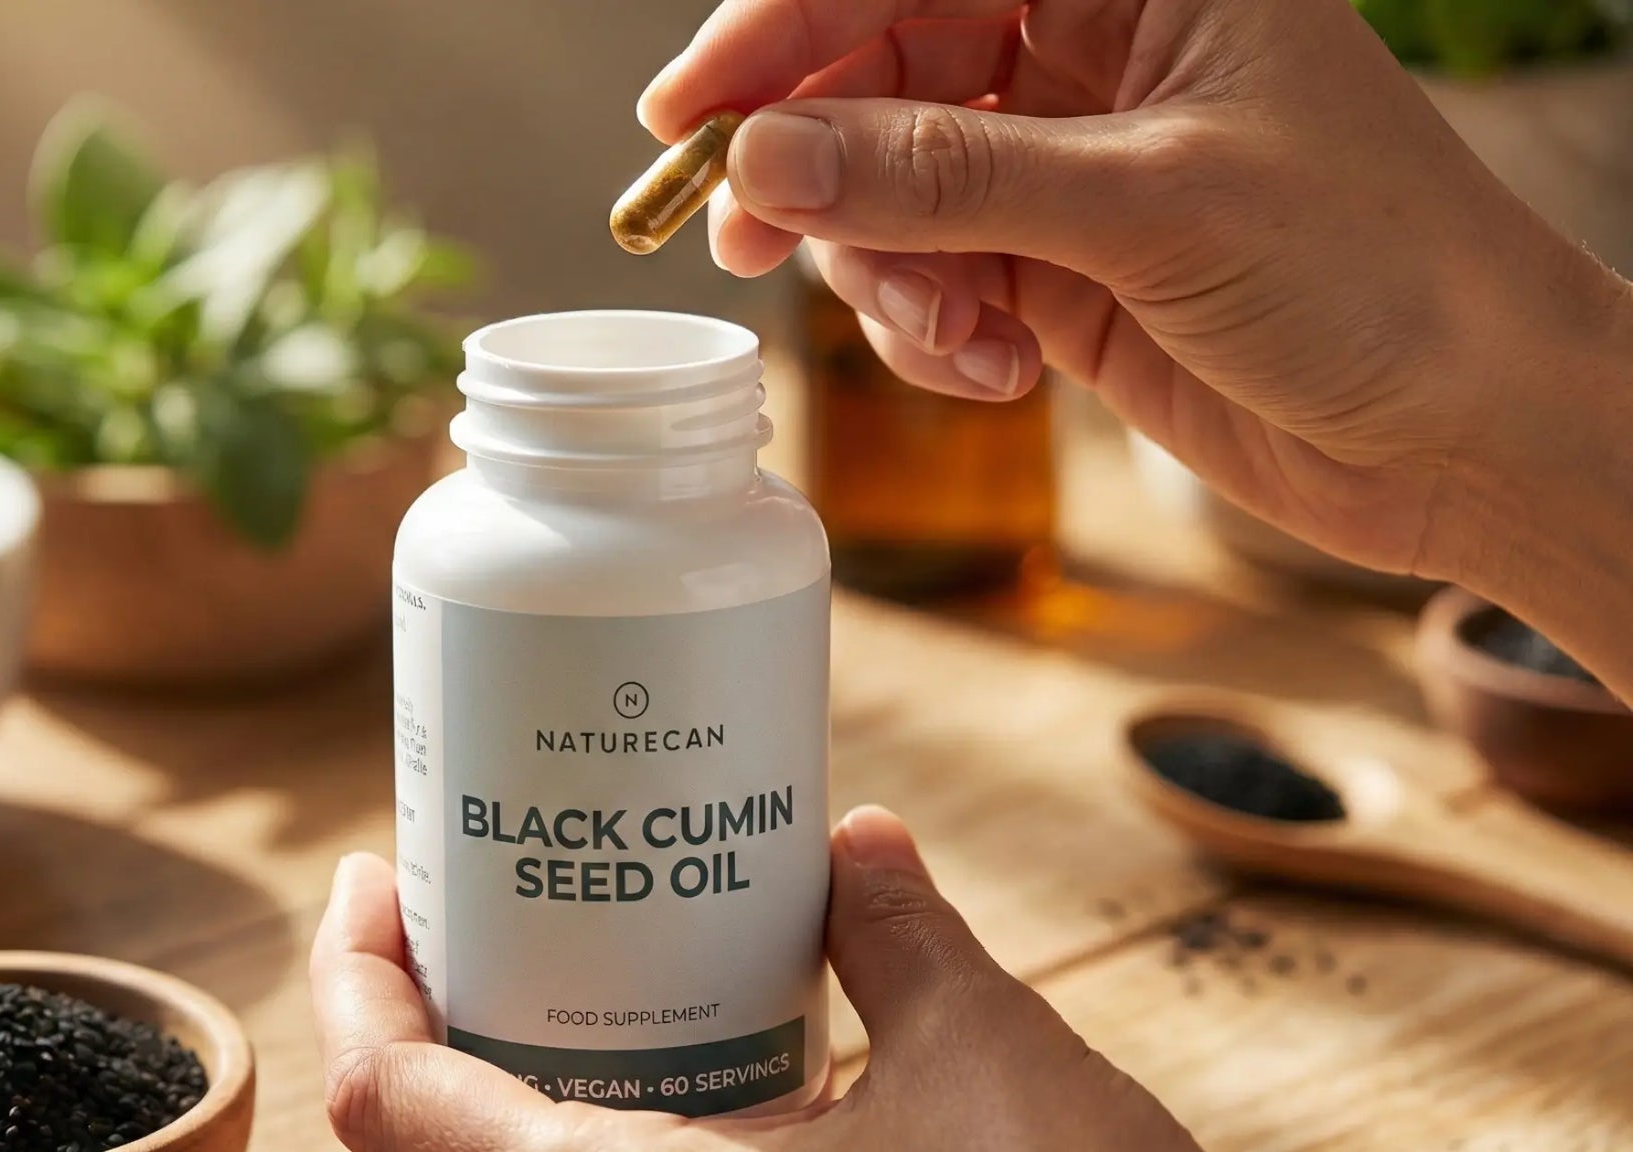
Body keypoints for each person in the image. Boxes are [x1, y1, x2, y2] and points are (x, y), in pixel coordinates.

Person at [311, 0, 1633, 1147]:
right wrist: (1491, 449)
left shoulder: (754, 547)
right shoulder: (466, 551)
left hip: (743, 1070)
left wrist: (1485, 427)